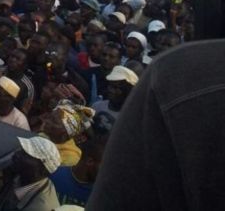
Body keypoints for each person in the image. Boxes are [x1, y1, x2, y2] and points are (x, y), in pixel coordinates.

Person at [89, 41, 225, 210]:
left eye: (119, 87)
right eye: (111, 86)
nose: (113, 91)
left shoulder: (143, 117)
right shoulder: (98, 107)